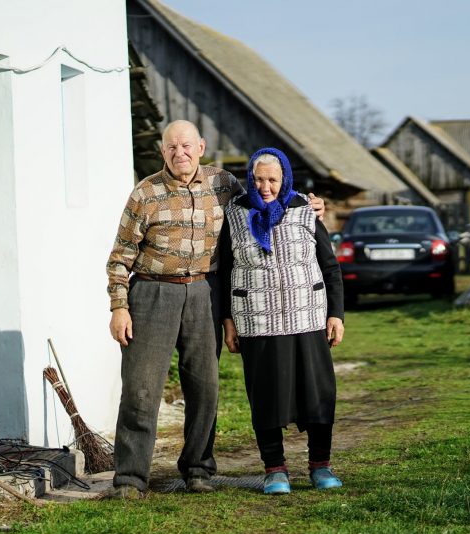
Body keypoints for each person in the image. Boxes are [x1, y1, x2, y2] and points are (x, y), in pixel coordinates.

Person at [106, 121, 323, 497]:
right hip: (153, 294)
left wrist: (310, 203)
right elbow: (120, 256)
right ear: (163, 151)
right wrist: (119, 307)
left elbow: (266, 196)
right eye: (172, 147)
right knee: (141, 390)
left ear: (201, 147)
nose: (180, 154)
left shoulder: (224, 185)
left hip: (205, 292)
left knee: (204, 388)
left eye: (187, 146)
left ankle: (198, 469)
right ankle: (130, 477)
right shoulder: (145, 193)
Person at [219, 147, 345, 495]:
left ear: (284, 178)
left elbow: (329, 265)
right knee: (265, 397)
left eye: (272, 179)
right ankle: (275, 469)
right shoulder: (234, 213)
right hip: (257, 322)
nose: (265, 187)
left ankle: (320, 465)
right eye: (258, 179)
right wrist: (227, 320)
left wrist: (336, 313)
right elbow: (225, 272)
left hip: (306, 317)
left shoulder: (305, 209)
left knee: (318, 394)